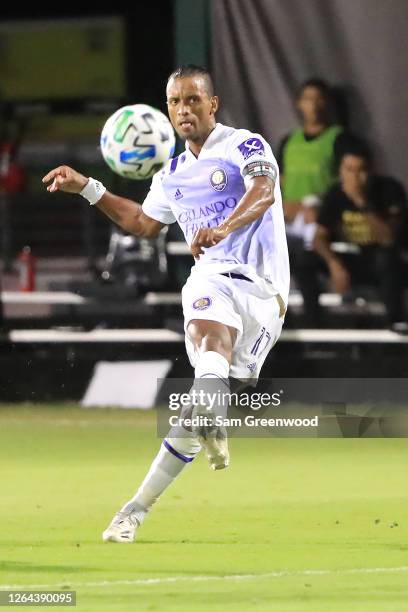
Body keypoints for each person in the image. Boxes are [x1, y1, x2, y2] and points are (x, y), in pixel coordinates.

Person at [42, 65, 290, 543]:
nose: (184, 110)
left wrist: (224, 227)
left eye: (193, 100)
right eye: (176, 102)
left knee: (210, 403)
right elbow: (142, 222)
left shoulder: (245, 145)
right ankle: (133, 512)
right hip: (212, 281)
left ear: (212, 104)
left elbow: (263, 191)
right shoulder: (172, 173)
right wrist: (87, 187)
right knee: (207, 363)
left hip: (264, 293)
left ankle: (211, 417)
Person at [277, 78, 355, 324]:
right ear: (299, 104)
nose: (314, 105)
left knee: (307, 258)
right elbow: (279, 182)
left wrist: (320, 206)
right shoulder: (290, 141)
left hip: (320, 220)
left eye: (319, 98)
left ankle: (316, 316)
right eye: (309, 99)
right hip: (289, 219)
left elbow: (348, 184)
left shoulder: (339, 139)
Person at [313, 142, 408, 330]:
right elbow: (319, 237)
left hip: (384, 262)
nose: (355, 177)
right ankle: (312, 323)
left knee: (386, 258)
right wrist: (334, 264)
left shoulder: (389, 190)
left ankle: (395, 321)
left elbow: (388, 239)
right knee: (303, 258)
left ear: (371, 171)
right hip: (351, 261)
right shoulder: (335, 193)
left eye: (361, 170)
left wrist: (361, 202)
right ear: (340, 171)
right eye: (349, 170)